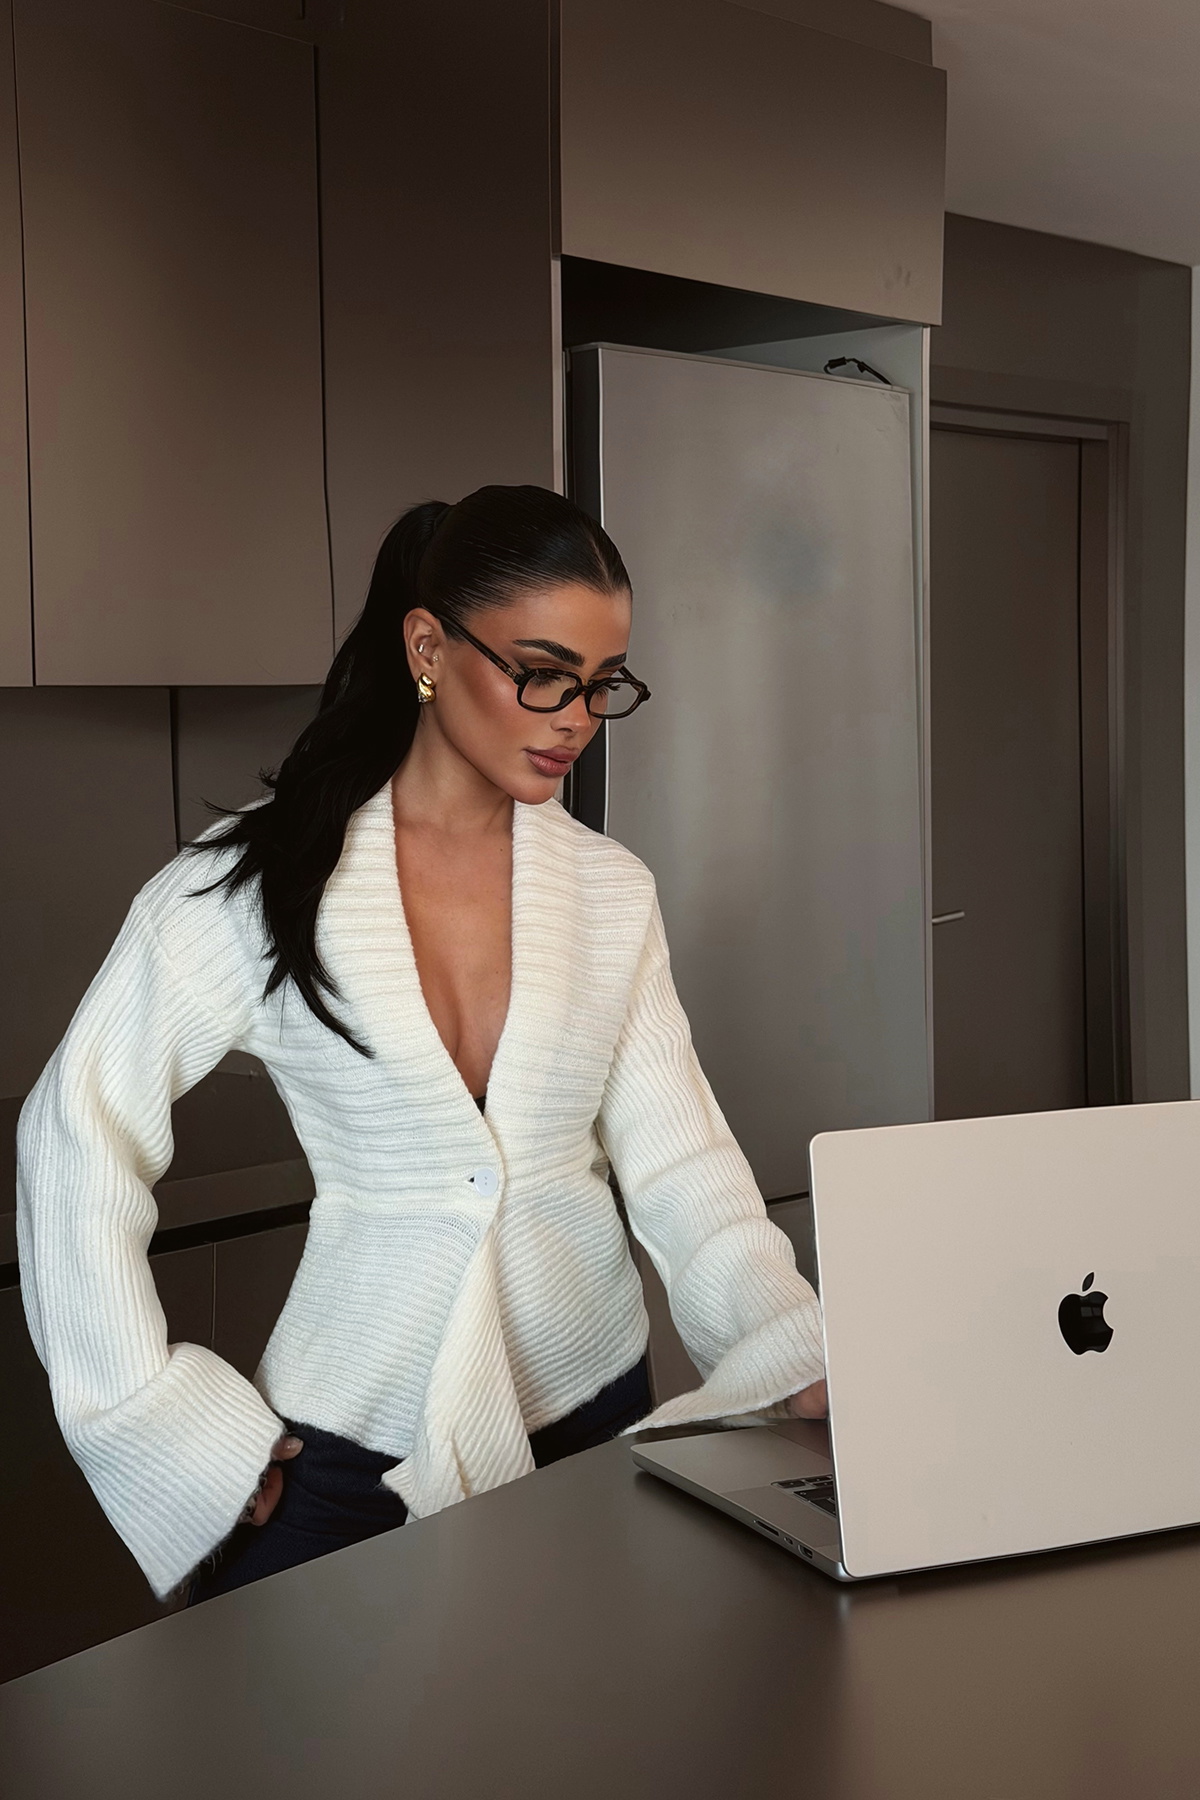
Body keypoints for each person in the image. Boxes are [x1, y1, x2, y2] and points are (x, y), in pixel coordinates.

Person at [16, 485, 827, 1605]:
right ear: (429, 648)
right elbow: (75, 1137)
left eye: (603, 683)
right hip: (345, 1444)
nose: (574, 718)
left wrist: (788, 1342)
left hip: (593, 1413)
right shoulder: (257, 883)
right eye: (540, 673)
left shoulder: (608, 891)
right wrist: (157, 1421)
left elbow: (681, 1166)